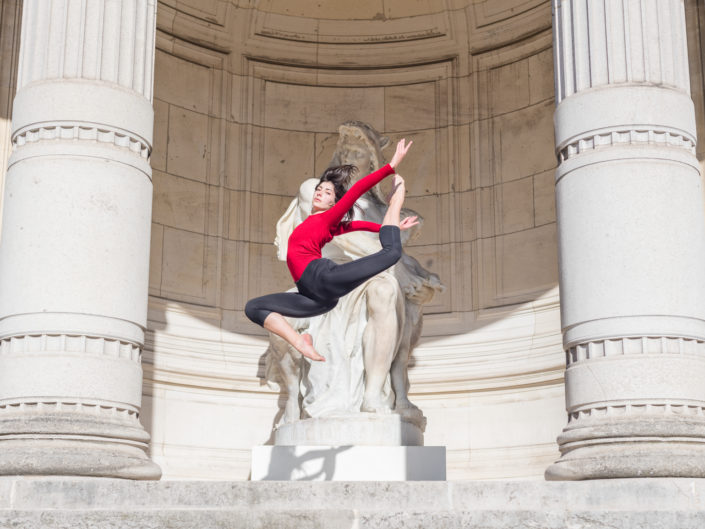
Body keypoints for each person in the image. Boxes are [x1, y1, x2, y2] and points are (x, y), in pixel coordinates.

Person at [245, 139, 416, 362]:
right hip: (314, 297)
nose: (319, 193)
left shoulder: (328, 218)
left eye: (327, 192)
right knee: (253, 308)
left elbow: (356, 190)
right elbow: (357, 226)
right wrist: (387, 227)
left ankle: (396, 201)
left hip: (322, 278)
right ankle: (300, 342)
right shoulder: (325, 225)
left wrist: (391, 165)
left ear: (333, 204)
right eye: (319, 189)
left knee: (392, 253)